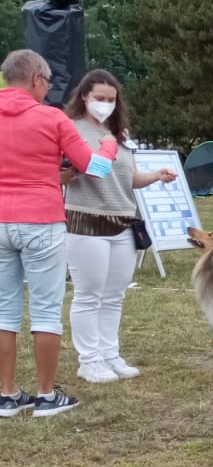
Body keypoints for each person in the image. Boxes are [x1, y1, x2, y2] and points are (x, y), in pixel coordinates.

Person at [0, 49, 120, 417]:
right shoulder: (51, 117)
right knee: (46, 310)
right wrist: (109, 144)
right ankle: (46, 394)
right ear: (37, 79)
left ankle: (7, 393)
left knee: (4, 311)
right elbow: (94, 167)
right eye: (47, 83)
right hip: (41, 218)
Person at [61, 70, 177, 383]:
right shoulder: (70, 129)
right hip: (86, 219)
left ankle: (110, 354)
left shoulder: (120, 134)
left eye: (111, 99)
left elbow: (129, 178)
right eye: (100, 98)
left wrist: (156, 176)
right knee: (89, 294)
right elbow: (63, 176)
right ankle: (90, 360)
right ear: (84, 96)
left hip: (123, 220)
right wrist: (74, 169)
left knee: (114, 295)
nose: (106, 104)